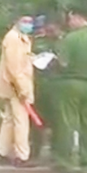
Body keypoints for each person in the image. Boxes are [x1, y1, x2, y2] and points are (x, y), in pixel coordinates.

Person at [51, 11, 87, 173]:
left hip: (70, 83)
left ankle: (65, 162)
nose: (69, 23)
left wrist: (52, 63)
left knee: (67, 122)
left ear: (78, 18)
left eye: (70, 19)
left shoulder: (70, 38)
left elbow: (63, 63)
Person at [0, 15, 35, 168]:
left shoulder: (20, 37)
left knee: (9, 119)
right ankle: (22, 156)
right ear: (16, 22)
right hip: (16, 85)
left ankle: (2, 151)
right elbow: (14, 67)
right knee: (21, 120)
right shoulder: (14, 39)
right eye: (25, 21)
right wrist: (22, 88)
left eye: (30, 22)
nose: (28, 24)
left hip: (11, 85)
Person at [29, 17, 63, 161]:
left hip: (55, 87)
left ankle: (54, 152)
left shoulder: (63, 43)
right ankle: (36, 151)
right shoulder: (37, 43)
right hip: (41, 86)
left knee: (56, 121)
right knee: (38, 121)